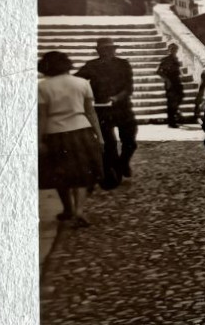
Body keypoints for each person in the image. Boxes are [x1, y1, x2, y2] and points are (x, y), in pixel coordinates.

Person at [37, 51, 104, 227]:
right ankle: (79, 210)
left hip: (55, 133)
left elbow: (42, 116)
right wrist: (100, 135)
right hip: (81, 131)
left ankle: (68, 208)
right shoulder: (82, 83)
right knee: (82, 173)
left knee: (60, 174)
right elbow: (91, 111)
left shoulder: (42, 86)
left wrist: (39, 140)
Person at [76, 37, 137, 188]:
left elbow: (129, 88)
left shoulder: (123, 64)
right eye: (104, 50)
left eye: (110, 49)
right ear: (98, 51)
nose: (107, 52)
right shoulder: (91, 66)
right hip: (101, 109)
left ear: (114, 50)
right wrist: (86, 95)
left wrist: (117, 97)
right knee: (109, 144)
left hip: (123, 108)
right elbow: (76, 80)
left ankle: (123, 163)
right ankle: (115, 173)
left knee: (130, 143)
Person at [156, 42, 185, 128]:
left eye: (175, 49)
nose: (174, 51)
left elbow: (176, 69)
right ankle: (171, 122)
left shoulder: (175, 58)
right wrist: (167, 80)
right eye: (172, 49)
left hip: (176, 81)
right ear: (169, 50)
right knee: (171, 102)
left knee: (181, 96)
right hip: (170, 82)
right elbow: (158, 71)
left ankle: (176, 111)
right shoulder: (166, 59)